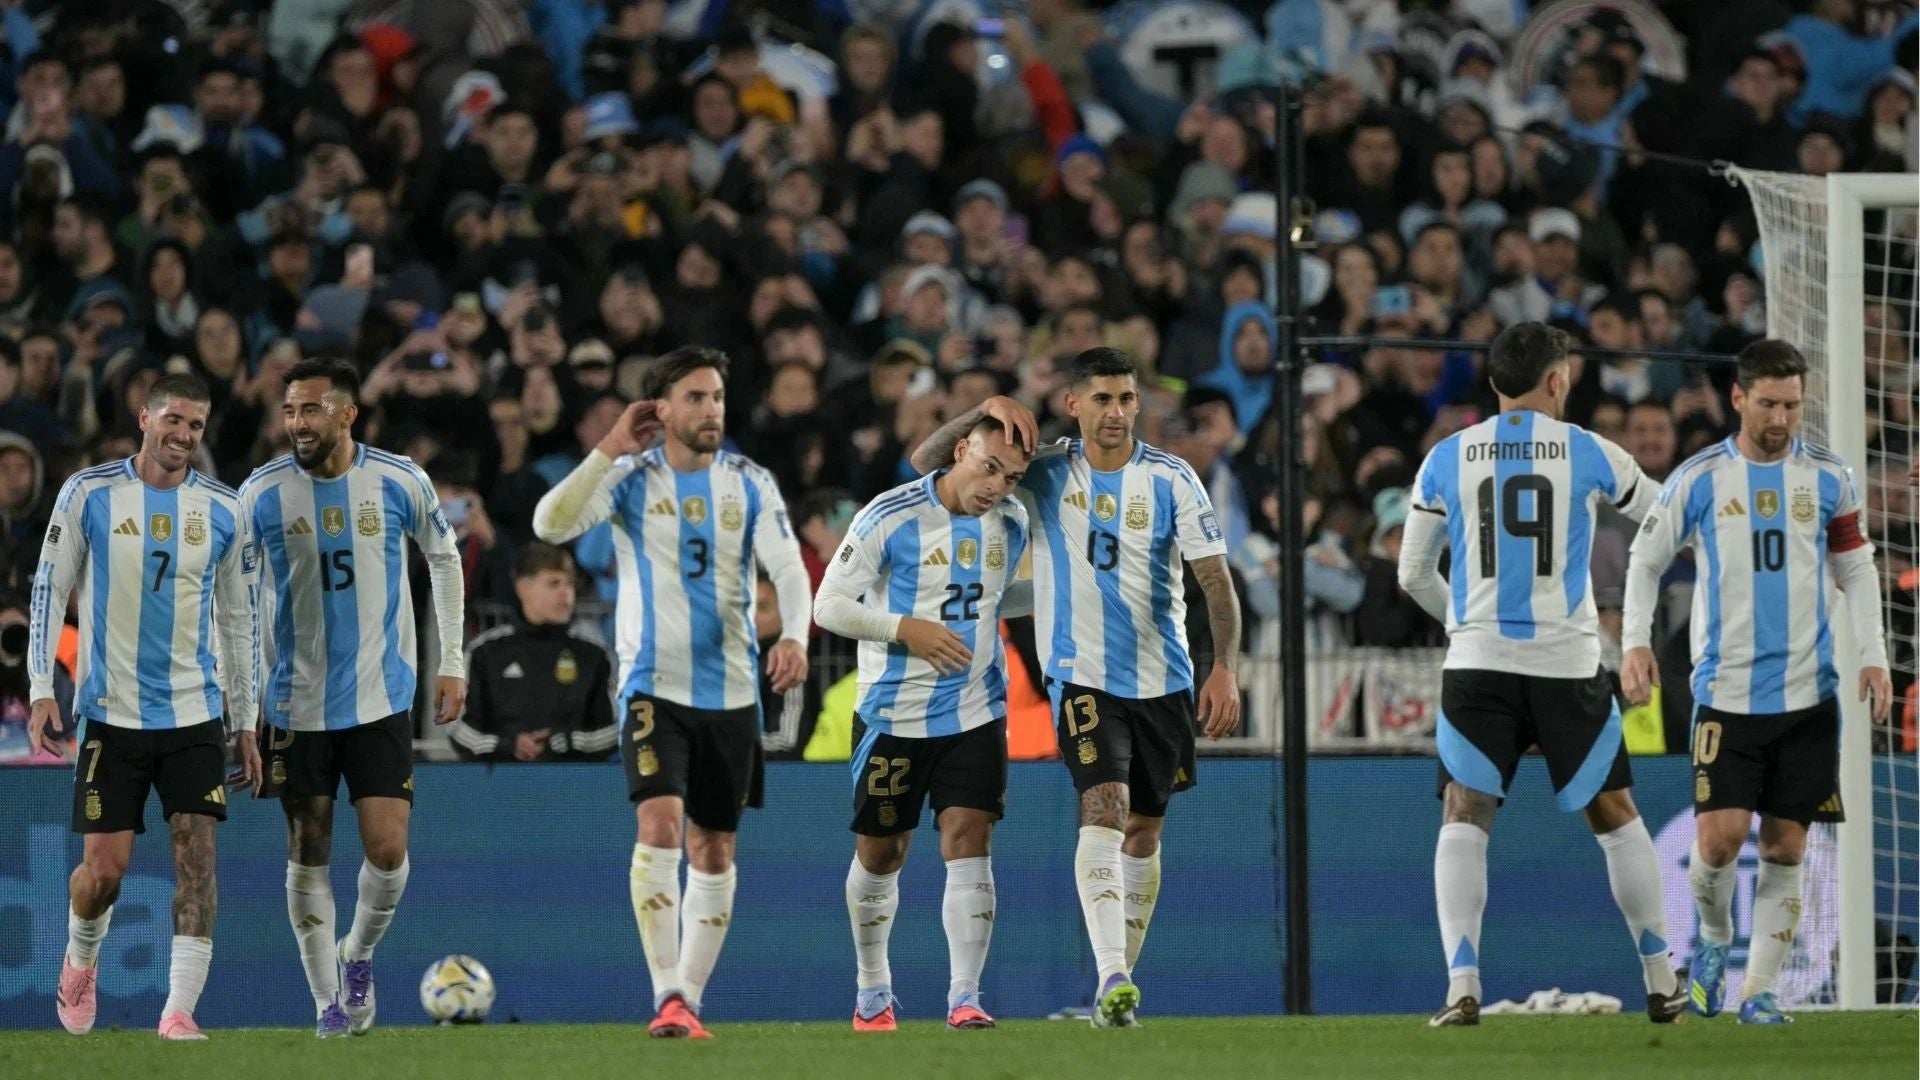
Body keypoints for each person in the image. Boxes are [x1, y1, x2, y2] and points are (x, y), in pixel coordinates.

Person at [910, 348, 1244, 1028]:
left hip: (1165, 679)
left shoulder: (1173, 479)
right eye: (1101, 399)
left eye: (1125, 398)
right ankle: (1113, 973)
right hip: (1081, 675)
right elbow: (926, 462)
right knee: (1105, 806)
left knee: (1145, 833)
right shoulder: (1047, 471)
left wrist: (1224, 666)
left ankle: (1112, 991)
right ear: (1073, 405)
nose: (1116, 412)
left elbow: (1214, 581)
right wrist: (983, 412)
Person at [1395, 321, 1684, 1027]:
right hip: (1568, 661)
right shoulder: (1590, 451)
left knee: (1464, 810)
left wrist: (1464, 618)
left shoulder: (1447, 457)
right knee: (1614, 812)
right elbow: (1667, 520)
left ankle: (1463, 988)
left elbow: (1410, 574)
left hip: (1479, 663)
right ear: (1557, 380)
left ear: (1494, 385)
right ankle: (1659, 980)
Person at [532, 346, 812, 1040]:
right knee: (659, 824)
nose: (711, 409)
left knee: (714, 847)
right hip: (653, 684)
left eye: (716, 396)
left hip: (733, 690)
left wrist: (796, 637)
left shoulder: (749, 482)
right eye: (695, 397)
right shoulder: (629, 479)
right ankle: (665, 994)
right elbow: (549, 525)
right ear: (660, 409)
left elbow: (789, 566)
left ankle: (688, 997)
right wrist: (607, 447)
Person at [1620, 339, 1892, 1025]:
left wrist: (1873, 655)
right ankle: (1714, 938)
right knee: (1718, 841)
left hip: (1808, 696)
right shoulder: (1701, 477)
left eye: (1793, 405)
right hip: (1726, 695)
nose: (1781, 418)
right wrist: (1634, 645)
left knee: (1787, 844)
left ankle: (1760, 990)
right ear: (1739, 398)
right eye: (1768, 404)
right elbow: (1646, 560)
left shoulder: (1829, 477)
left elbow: (1856, 569)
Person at [237, 359, 467, 1038]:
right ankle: (326, 1003)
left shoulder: (398, 479)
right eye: (290, 411)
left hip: (379, 696)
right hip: (295, 705)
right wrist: (242, 698)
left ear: (347, 415)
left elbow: (445, 559)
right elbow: (235, 599)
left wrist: (452, 663)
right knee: (307, 847)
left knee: (388, 851)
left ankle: (357, 955)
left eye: (312, 410)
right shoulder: (261, 494)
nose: (298, 424)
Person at [27, 373, 258, 1040]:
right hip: (111, 712)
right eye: (174, 420)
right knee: (104, 873)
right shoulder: (89, 493)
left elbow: (240, 620)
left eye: (195, 426)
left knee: (198, 858)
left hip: (193, 713)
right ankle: (79, 960)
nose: (183, 436)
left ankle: (178, 1010)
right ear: (145, 417)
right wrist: (42, 688)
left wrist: (244, 719)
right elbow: (50, 588)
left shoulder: (223, 508)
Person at [813, 416, 1032, 1033]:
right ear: (962, 449)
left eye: (1012, 478)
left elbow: (997, 597)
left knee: (969, 837)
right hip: (893, 714)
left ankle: (965, 996)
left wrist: (1055, 596)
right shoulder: (890, 515)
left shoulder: (1011, 523)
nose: (996, 487)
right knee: (883, 854)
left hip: (975, 709)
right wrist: (905, 628)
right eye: (988, 468)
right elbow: (828, 606)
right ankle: (872, 986)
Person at [449, 542, 616, 763]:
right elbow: (457, 727)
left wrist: (568, 741)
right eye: (554, 583)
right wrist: (506, 746)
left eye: (570, 584)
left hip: (575, 789)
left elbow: (615, 730)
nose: (566, 593)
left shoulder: (594, 655)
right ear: (523, 588)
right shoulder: (485, 652)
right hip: (497, 787)